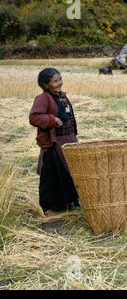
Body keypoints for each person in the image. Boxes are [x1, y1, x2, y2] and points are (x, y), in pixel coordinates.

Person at [29, 68, 79, 217]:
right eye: (55, 81)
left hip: (67, 141)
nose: (59, 83)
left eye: (60, 79)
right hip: (54, 143)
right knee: (51, 176)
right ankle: (48, 209)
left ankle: (66, 203)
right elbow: (34, 117)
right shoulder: (43, 98)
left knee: (67, 173)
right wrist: (52, 120)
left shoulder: (62, 96)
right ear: (46, 84)